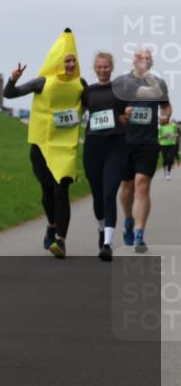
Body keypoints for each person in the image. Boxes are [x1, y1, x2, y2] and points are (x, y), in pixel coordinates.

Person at [3, 29, 85, 259]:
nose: (70, 64)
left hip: (65, 148)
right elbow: (9, 94)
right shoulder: (42, 82)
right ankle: (51, 224)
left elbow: (95, 103)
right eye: (66, 60)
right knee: (48, 191)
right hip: (41, 145)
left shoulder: (81, 84)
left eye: (73, 61)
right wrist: (13, 78)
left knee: (62, 191)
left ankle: (61, 240)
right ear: (58, 61)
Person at [113, 46, 173, 253]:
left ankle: (139, 234)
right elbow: (114, 112)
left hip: (148, 142)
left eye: (148, 58)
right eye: (140, 57)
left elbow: (166, 106)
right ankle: (128, 220)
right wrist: (123, 115)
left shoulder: (159, 84)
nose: (144, 60)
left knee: (142, 185)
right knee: (127, 188)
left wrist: (165, 116)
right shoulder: (122, 83)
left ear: (151, 63)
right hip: (125, 142)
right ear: (134, 60)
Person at [81, 51, 128, 261]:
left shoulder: (120, 90)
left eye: (106, 66)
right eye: (99, 67)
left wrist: (128, 116)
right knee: (97, 194)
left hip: (116, 146)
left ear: (112, 68)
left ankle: (107, 243)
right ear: (94, 68)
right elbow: (74, 112)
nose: (102, 70)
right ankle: (101, 229)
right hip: (93, 146)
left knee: (109, 193)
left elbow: (131, 112)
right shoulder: (87, 92)